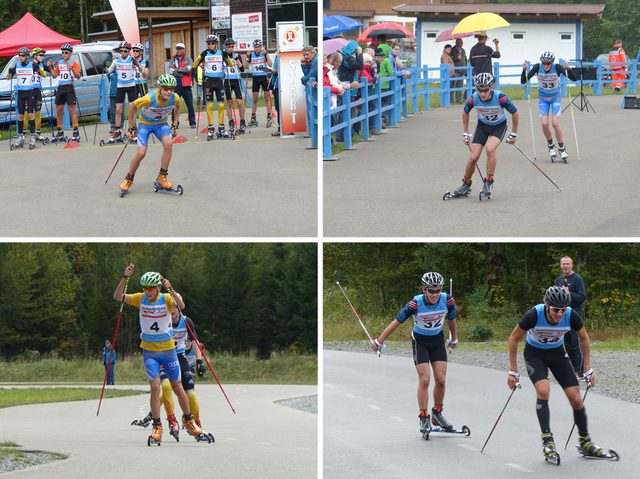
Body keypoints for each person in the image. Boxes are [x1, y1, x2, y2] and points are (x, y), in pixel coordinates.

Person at [507, 286, 606, 460]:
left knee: (575, 397)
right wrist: (513, 371)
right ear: (546, 304)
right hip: (535, 354)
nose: (559, 313)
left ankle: (585, 441)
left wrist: (587, 368)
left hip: (557, 354)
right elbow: (513, 338)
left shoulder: (570, 315)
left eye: (562, 309)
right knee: (544, 390)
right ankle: (547, 440)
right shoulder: (534, 314)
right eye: (555, 309)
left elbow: (584, 337)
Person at [113, 266, 204, 445]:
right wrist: (124, 278)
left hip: (169, 351)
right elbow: (118, 297)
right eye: (144, 288)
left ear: (158, 288)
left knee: (178, 388)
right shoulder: (140, 299)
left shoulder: (167, 298)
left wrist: (171, 288)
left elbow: (182, 305)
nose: (147, 292)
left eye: (150, 288)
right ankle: (157, 426)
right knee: (155, 388)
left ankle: (189, 421)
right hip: (150, 352)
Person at [371, 272, 459, 437]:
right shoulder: (415, 304)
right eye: (431, 291)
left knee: (440, 379)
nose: (435, 295)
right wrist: (379, 341)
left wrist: (454, 338)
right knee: (425, 380)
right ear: (424, 289)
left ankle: (437, 414)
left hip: (438, 340)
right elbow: (396, 322)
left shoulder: (448, 300)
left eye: (437, 290)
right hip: (421, 342)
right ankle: (424, 416)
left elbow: (451, 319)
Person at [448, 72, 519, 200]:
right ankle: (466, 184)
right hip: (483, 126)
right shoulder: (473, 98)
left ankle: (489, 182)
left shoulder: (500, 97)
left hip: (499, 126)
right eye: (479, 90)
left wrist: (513, 133)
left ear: (491, 88)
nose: (482, 94)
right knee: (474, 157)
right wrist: (466, 132)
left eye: (485, 90)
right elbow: (465, 112)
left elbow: (515, 112)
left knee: (490, 149)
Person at [119, 74, 180, 195]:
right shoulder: (149, 98)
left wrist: (175, 124)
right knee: (141, 153)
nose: (169, 92)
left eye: (172, 89)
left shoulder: (175, 97)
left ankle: (162, 178)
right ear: (159, 88)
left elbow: (178, 106)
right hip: (145, 125)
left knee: (169, 144)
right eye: (166, 88)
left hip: (160, 125)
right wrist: (131, 128)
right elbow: (132, 106)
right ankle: (128, 179)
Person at [521, 52, 577, 162]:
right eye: (544, 63)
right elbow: (524, 81)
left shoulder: (558, 68)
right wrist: (524, 70)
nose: (546, 65)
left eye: (548, 63)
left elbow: (574, 79)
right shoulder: (538, 67)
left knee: (555, 123)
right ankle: (551, 146)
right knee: (544, 124)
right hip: (543, 98)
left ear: (552, 62)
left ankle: (562, 148)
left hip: (555, 97)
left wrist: (568, 69)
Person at [192, 35, 234, 138]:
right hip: (209, 81)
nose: (210, 45)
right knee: (209, 106)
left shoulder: (221, 53)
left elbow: (231, 64)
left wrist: (227, 56)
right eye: (209, 43)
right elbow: (194, 65)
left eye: (212, 43)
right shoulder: (205, 54)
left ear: (216, 44)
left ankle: (221, 127)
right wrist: (200, 56)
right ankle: (210, 127)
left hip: (219, 81)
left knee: (220, 105)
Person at [7, 47, 46, 149]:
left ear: (27, 56)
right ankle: (20, 137)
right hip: (21, 92)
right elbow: (8, 78)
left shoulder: (32, 65)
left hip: (30, 92)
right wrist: (9, 72)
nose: (20, 57)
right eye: (19, 55)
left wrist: (39, 69)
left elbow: (44, 75)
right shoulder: (17, 65)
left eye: (23, 55)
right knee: (20, 116)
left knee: (30, 114)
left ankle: (33, 136)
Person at [106, 42, 143, 142]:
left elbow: (141, 70)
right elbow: (109, 71)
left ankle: (132, 130)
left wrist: (137, 64)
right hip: (120, 87)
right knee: (118, 110)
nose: (122, 53)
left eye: (125, 51)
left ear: (128, 51)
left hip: (131, 87)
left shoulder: (132, 60)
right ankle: (117, 132)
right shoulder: (116, 60)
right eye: (121, 51)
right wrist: (104, 67)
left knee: (132, 109)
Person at [556, 256, 586, 377]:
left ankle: (580, 371)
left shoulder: (577, 279)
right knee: (565, 344)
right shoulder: (560, 279)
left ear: (572, 265)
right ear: (561, 266)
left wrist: (570, 294)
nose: (565, 266)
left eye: (567, 264)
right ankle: (570, 370)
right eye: (563, 264)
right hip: (561, 316)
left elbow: (582, 298)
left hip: (574, 316)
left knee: (574, 344)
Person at [47, 43, 82, 142]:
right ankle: (60, 131)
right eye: (62, 52)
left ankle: (75, 131)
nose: (64, 54)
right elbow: (54, 75)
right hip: (61, 87)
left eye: (66, 52)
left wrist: (72, 69)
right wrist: (50, 68)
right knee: (59, 111)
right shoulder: (59, 62)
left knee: (71, 110)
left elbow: (78, 76)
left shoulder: (74, 62)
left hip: (69, 87)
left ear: (70, 53)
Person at [243, 39, 273, 127]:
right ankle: (253, 117)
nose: (257, 49)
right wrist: (247, 57)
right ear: (254, 48)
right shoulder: (251, 55)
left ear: (261, 47)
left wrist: (266, 53)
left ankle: (269, 116)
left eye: (258, 47)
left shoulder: (263, 54)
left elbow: (270, 65)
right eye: (255, 47)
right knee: (255, 99)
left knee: (267, 97)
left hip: (264, 77)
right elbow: (245, 66)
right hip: (255, 77)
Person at [222, 38, 246, 134]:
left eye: (232, 46)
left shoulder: (237, 56)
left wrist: (236, 59)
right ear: (226, 47)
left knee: (239, 102)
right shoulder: (223, 56)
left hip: (236, 81)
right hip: (227, 80)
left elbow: (242, 69)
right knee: (228, 103)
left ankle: (242, 121)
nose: (230, 48)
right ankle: (231, 122)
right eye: (229, 47)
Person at [170, 43, 196, 128]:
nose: (178, 50)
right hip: (176, 85)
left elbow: (188, 70)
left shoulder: (188, 59)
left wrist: (178, 71)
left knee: (190, 104)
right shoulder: (173, 60)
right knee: (174, 105)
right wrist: (182, 72)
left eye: (180, 49)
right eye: (177, 48)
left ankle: (192, 122)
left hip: (186, 85)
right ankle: (175, 123)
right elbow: (171, 71)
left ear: (184, 49)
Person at [376, 47, 393, 129]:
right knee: (385, 103)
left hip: (375, 85)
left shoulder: (376, 60)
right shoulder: (386, 60)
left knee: (377, 103)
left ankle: (378, 120)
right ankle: (383, 119)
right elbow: (390, 72)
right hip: (385, 84)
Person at [107, 53, 124, 135]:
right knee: (113, 110)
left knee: (121, 110)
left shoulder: (121, 70)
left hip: (121, 92)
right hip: (112, 93)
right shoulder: (111, 71)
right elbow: (108, 80)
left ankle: (121, 125)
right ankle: (113, 125)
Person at [451, 38, 468, 103]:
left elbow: (465, 59)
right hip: (455, 70)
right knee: (453, 85)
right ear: (456, 43)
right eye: (460, 42)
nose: (461, 44)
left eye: (462, 43)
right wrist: (456, 58)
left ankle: (458, 99)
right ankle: (451, 100)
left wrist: (465, 66)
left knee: (460, 85)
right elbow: (451, 59)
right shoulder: (453, 50)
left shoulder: (463, 50)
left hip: (462, 70)